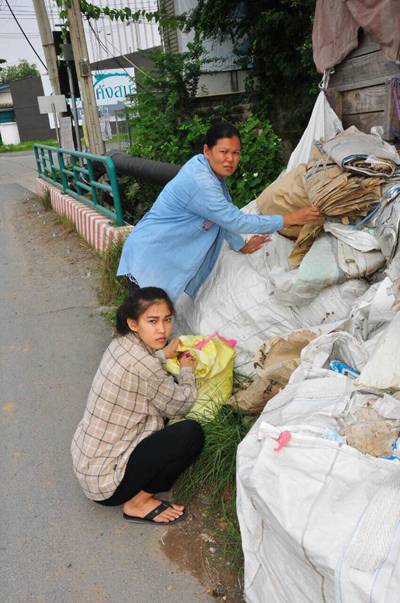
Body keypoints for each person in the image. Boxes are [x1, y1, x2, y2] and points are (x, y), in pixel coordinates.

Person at [117, 121, 324, 301]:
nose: (230, 159)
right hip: (152, 253)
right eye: (224, 152)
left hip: (160, 252)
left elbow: (221, 218)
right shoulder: (201, 181)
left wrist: (240, 245)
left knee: (151, 318)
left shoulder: (209, 173)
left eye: (236, 153)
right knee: (145, 318)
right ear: (207, 151)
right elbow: (235, 220)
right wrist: (290, 218)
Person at [71, 287, 203, 525]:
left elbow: (143, 365)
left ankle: (137, 492)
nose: (162, 329)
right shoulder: (146, 367)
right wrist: (187, 371)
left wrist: (162, 354)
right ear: (133, 323)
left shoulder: (119, 343)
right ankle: (138, 503)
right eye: (152, 321)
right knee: (190, 434)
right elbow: (181, 405)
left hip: (88, 463)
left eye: (167, 320)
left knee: (160, 404)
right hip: (107, 484)